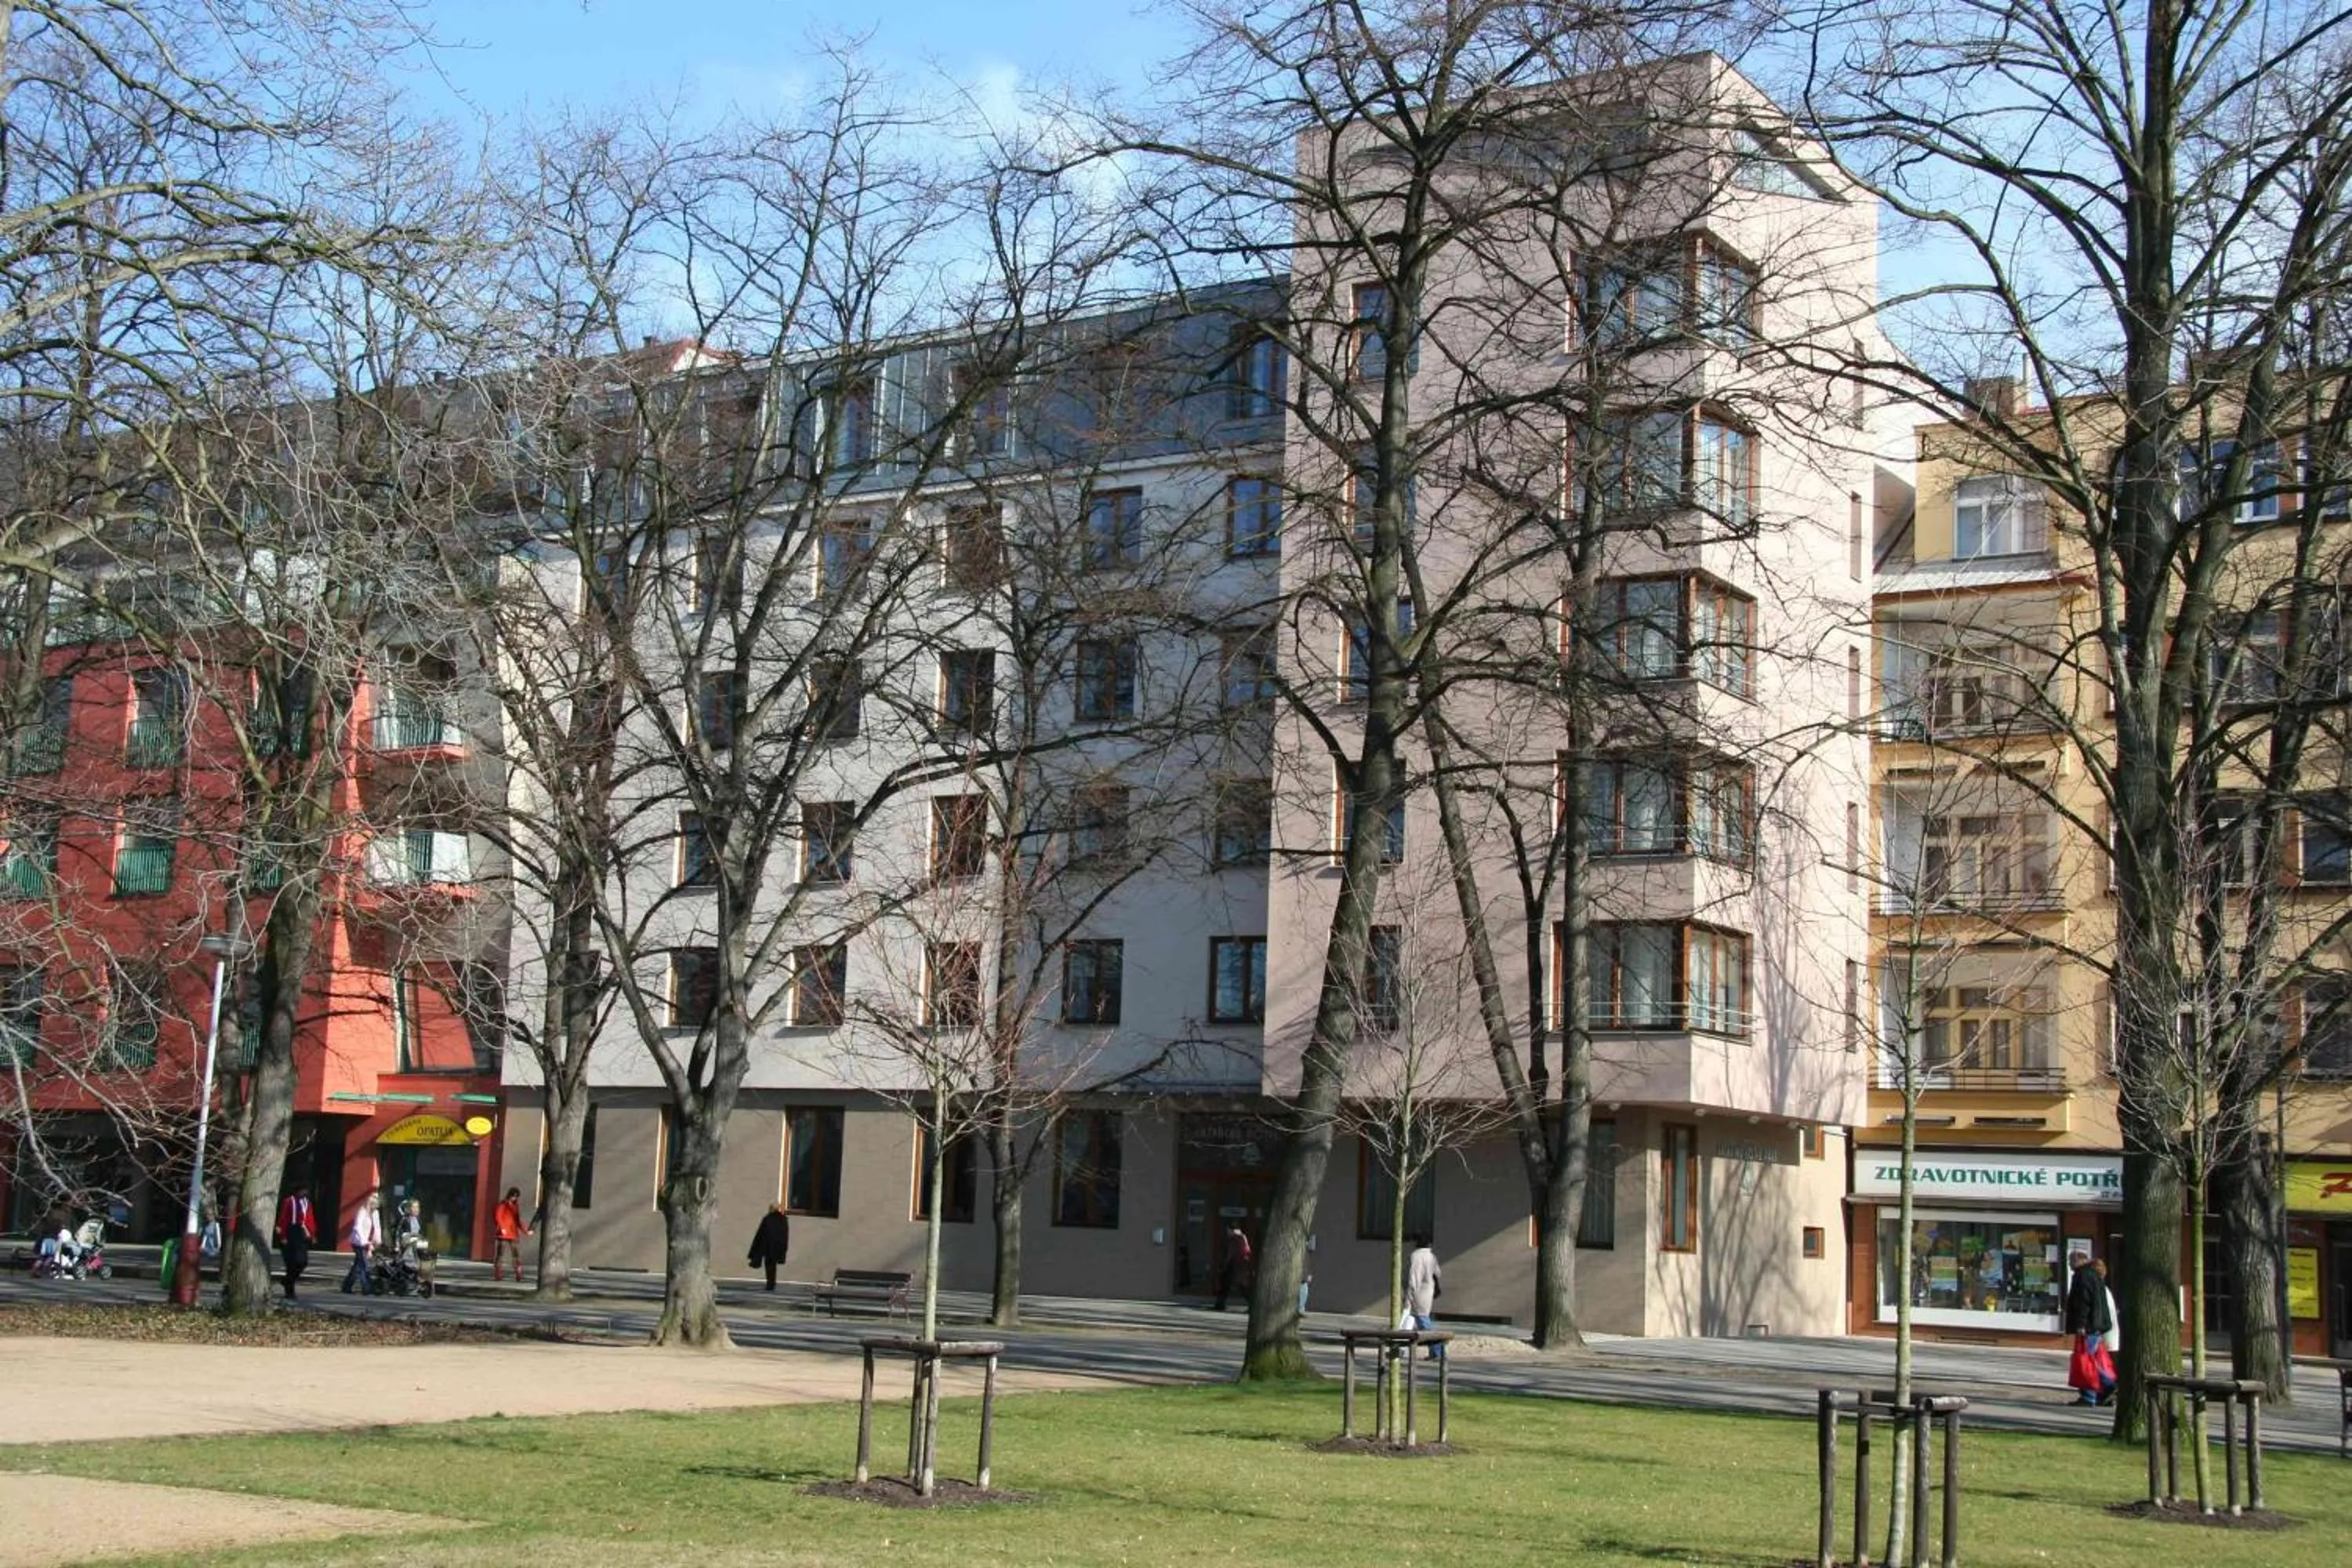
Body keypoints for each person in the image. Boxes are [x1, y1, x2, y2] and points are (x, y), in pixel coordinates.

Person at [2062, 1249, 2114, 1405]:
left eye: (2071, 1261)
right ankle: (2107, 1388)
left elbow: (2083, 1303)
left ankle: (2091, 1394)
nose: (2070, 1265)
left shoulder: (2082, 1276)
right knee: (2094, 1360)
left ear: (2078, 1260)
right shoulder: (2094, 1276)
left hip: (2088, 1327)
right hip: (2097, 1325)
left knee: (2086, 1360)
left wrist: (2081, 1324)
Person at [1406, 1235, 1445, 1360]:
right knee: (1418, 1321)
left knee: (1422, 1322)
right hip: (1428, 1291)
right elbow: (1438, 1273)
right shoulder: (1431, 1257)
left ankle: (1438, 1350)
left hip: (1418, 1292)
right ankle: (1435, 1351)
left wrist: (1409, 1296)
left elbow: (1414, 1278)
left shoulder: (1416, 1256)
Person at [275, 1184, 315, 1299]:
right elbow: (283, 1218)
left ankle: (287, 1280)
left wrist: (312, 1233)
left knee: (302, 1261)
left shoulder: (306, 1202)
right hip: (290, 1231)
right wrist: (283, 1236)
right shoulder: (289, 1201)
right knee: (291, 1263)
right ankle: (290, 1291)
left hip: (301, 1232)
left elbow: (309, 1218)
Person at [342, 1189, 382, 1295]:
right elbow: (357, 1227)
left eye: (376, 1205)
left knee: (358, 1265)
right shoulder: (362, 1211)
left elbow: (377, 1227)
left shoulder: (375, 1213)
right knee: (364, 1265)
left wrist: (377, 1240)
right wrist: (364, 1241)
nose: (375, 1208)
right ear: (369, 1204)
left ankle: (347, 1286)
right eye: (373, 1205)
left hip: (368, 1242)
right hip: (358, 1242)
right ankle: (367, 1288)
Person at [747, 1202, 791, 1291]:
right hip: (778, 1246)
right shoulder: (784, 1220)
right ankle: (772, 1283)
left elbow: (760, 1234)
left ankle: (770, 1284)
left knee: (769, 1266)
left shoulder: (767, 1219)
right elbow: (785, 1234)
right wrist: (784, 1247)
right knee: (773, 1265)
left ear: (771, 1209)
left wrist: (756, 1248)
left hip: (768, 1246)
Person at [492, 1187, 531, 1283]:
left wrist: (525, 1231)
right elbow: (498, 1217)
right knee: (500, 1253)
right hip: (503, 1234)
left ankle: (518, 1272)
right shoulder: (503, 1204)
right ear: (509, 1195)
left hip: (513, 1233)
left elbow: (518, 1221)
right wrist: (502, 1229)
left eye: (516, 1196)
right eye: (513, 1196)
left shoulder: (516, 1206)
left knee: (516, 1253)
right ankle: (498, 1273)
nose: (514, 1198)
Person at [1213, 1219, 1253, 1311]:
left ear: (1230, 1229)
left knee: (1235, 1286)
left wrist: (1223, 1265)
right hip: (1241, 1266)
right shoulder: (1242, 1237)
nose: (1227, 1232)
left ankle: (1220, 1305)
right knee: (1233, 1286)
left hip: (1234, 1266)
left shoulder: (1234, 1239)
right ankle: (1220, 1304)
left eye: (1227, 1229)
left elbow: (1230, 1254)